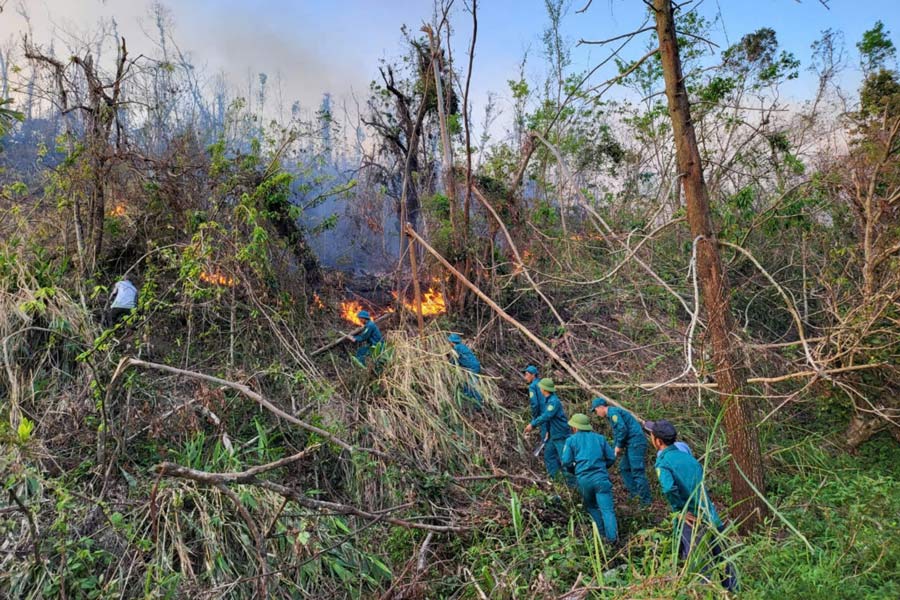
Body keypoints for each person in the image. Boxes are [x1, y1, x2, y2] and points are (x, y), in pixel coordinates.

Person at [646, 419, 738, 592]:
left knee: (698, 566)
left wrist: (681, 510)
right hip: (711, 516)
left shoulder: (663, 462)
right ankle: (735, 593)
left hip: (692, 521)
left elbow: (668, 488)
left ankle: (702, 594)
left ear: (657, 441)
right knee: (724, 560)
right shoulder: (688, 458)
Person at [560, 413, 618, 542]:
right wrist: (602, 468)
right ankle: (613, 541)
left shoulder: (571, 440)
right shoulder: (600, 438)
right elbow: (611, 458)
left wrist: (575, 471)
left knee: (592, 507)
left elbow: (566, 461)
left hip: (584, 480)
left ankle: (601, 537)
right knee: (607, 510)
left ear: (575, 428)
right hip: (601, 479)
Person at [591, 397, 652, 505]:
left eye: (596, 410)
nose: (597, 413)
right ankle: (635, 495)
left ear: (600, 407)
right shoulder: (612, 415)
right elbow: (618, 432)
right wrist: (615, 447)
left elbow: (622, 429)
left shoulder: (613, 413)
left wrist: (619, 446)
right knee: (624, 468)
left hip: (636, 443)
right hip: (631, 444)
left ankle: (645, 501)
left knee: (637, 471)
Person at [523, 378, 574, 487]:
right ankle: (556, 480)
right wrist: (547, 431)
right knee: (549, 456)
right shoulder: (548, 400)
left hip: (560, 434)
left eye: (541, 387)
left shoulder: (553, 402)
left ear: (544, 389)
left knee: (565, 460)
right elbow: (549, 418)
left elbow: (547, 415)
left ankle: (572, 485)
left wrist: (532, 424)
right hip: (552, 435)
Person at [522, 365, 561, 478]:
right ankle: (559, 472)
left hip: (544, 419)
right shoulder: (544, 384)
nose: (525, 377)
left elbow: (535, 404)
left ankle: (555, 476)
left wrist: (534, 421)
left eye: (527, 374)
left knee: (549, 442)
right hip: (552, 418)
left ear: (533, 375)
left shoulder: (533, 386)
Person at [448, 333, 483, 406]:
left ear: (451, 342)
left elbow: (454, 360)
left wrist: (449, 364)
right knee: (467, 385)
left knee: (471, 386)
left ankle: (478, 405)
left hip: (471, 368)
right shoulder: (462, 347)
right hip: (474, 366)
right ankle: (471, 403)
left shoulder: (456, 348)